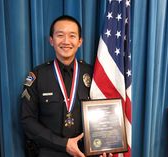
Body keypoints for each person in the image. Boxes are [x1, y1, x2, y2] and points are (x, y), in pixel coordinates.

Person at [21, 15, 112, 157]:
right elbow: (28, 121)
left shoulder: (94, 74)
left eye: (72, 36)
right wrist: (63, 145)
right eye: (60, 35)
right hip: (50, 152)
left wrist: (106, 142)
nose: (66, 41)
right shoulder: (37, 76)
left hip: (86, 153)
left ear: (80, 41)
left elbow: (104, 114)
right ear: (51, 40)